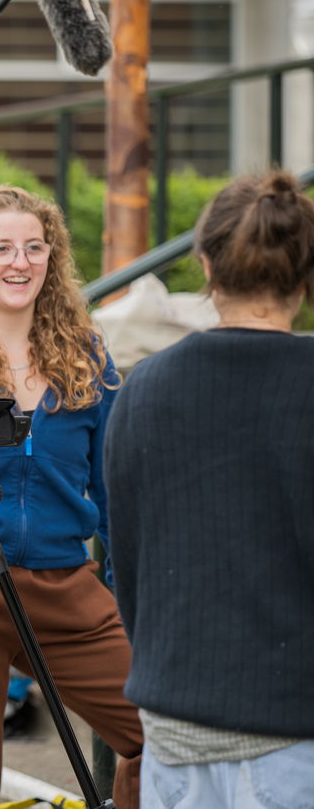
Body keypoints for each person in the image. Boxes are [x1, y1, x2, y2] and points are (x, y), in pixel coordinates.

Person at [104, 170, 314, 809]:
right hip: (291, 725)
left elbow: (127, 559)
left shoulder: (145, 387)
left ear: (204, 265)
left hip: (172, 715)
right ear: (304, 276)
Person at [0, 185, 143, 808]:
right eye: (0, 248)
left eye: (33, 247)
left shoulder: (86, 357)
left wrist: (133, 584)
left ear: (52, 258)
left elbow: (111, 488)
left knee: (163, 731)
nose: (19, 262)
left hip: (64, 587)